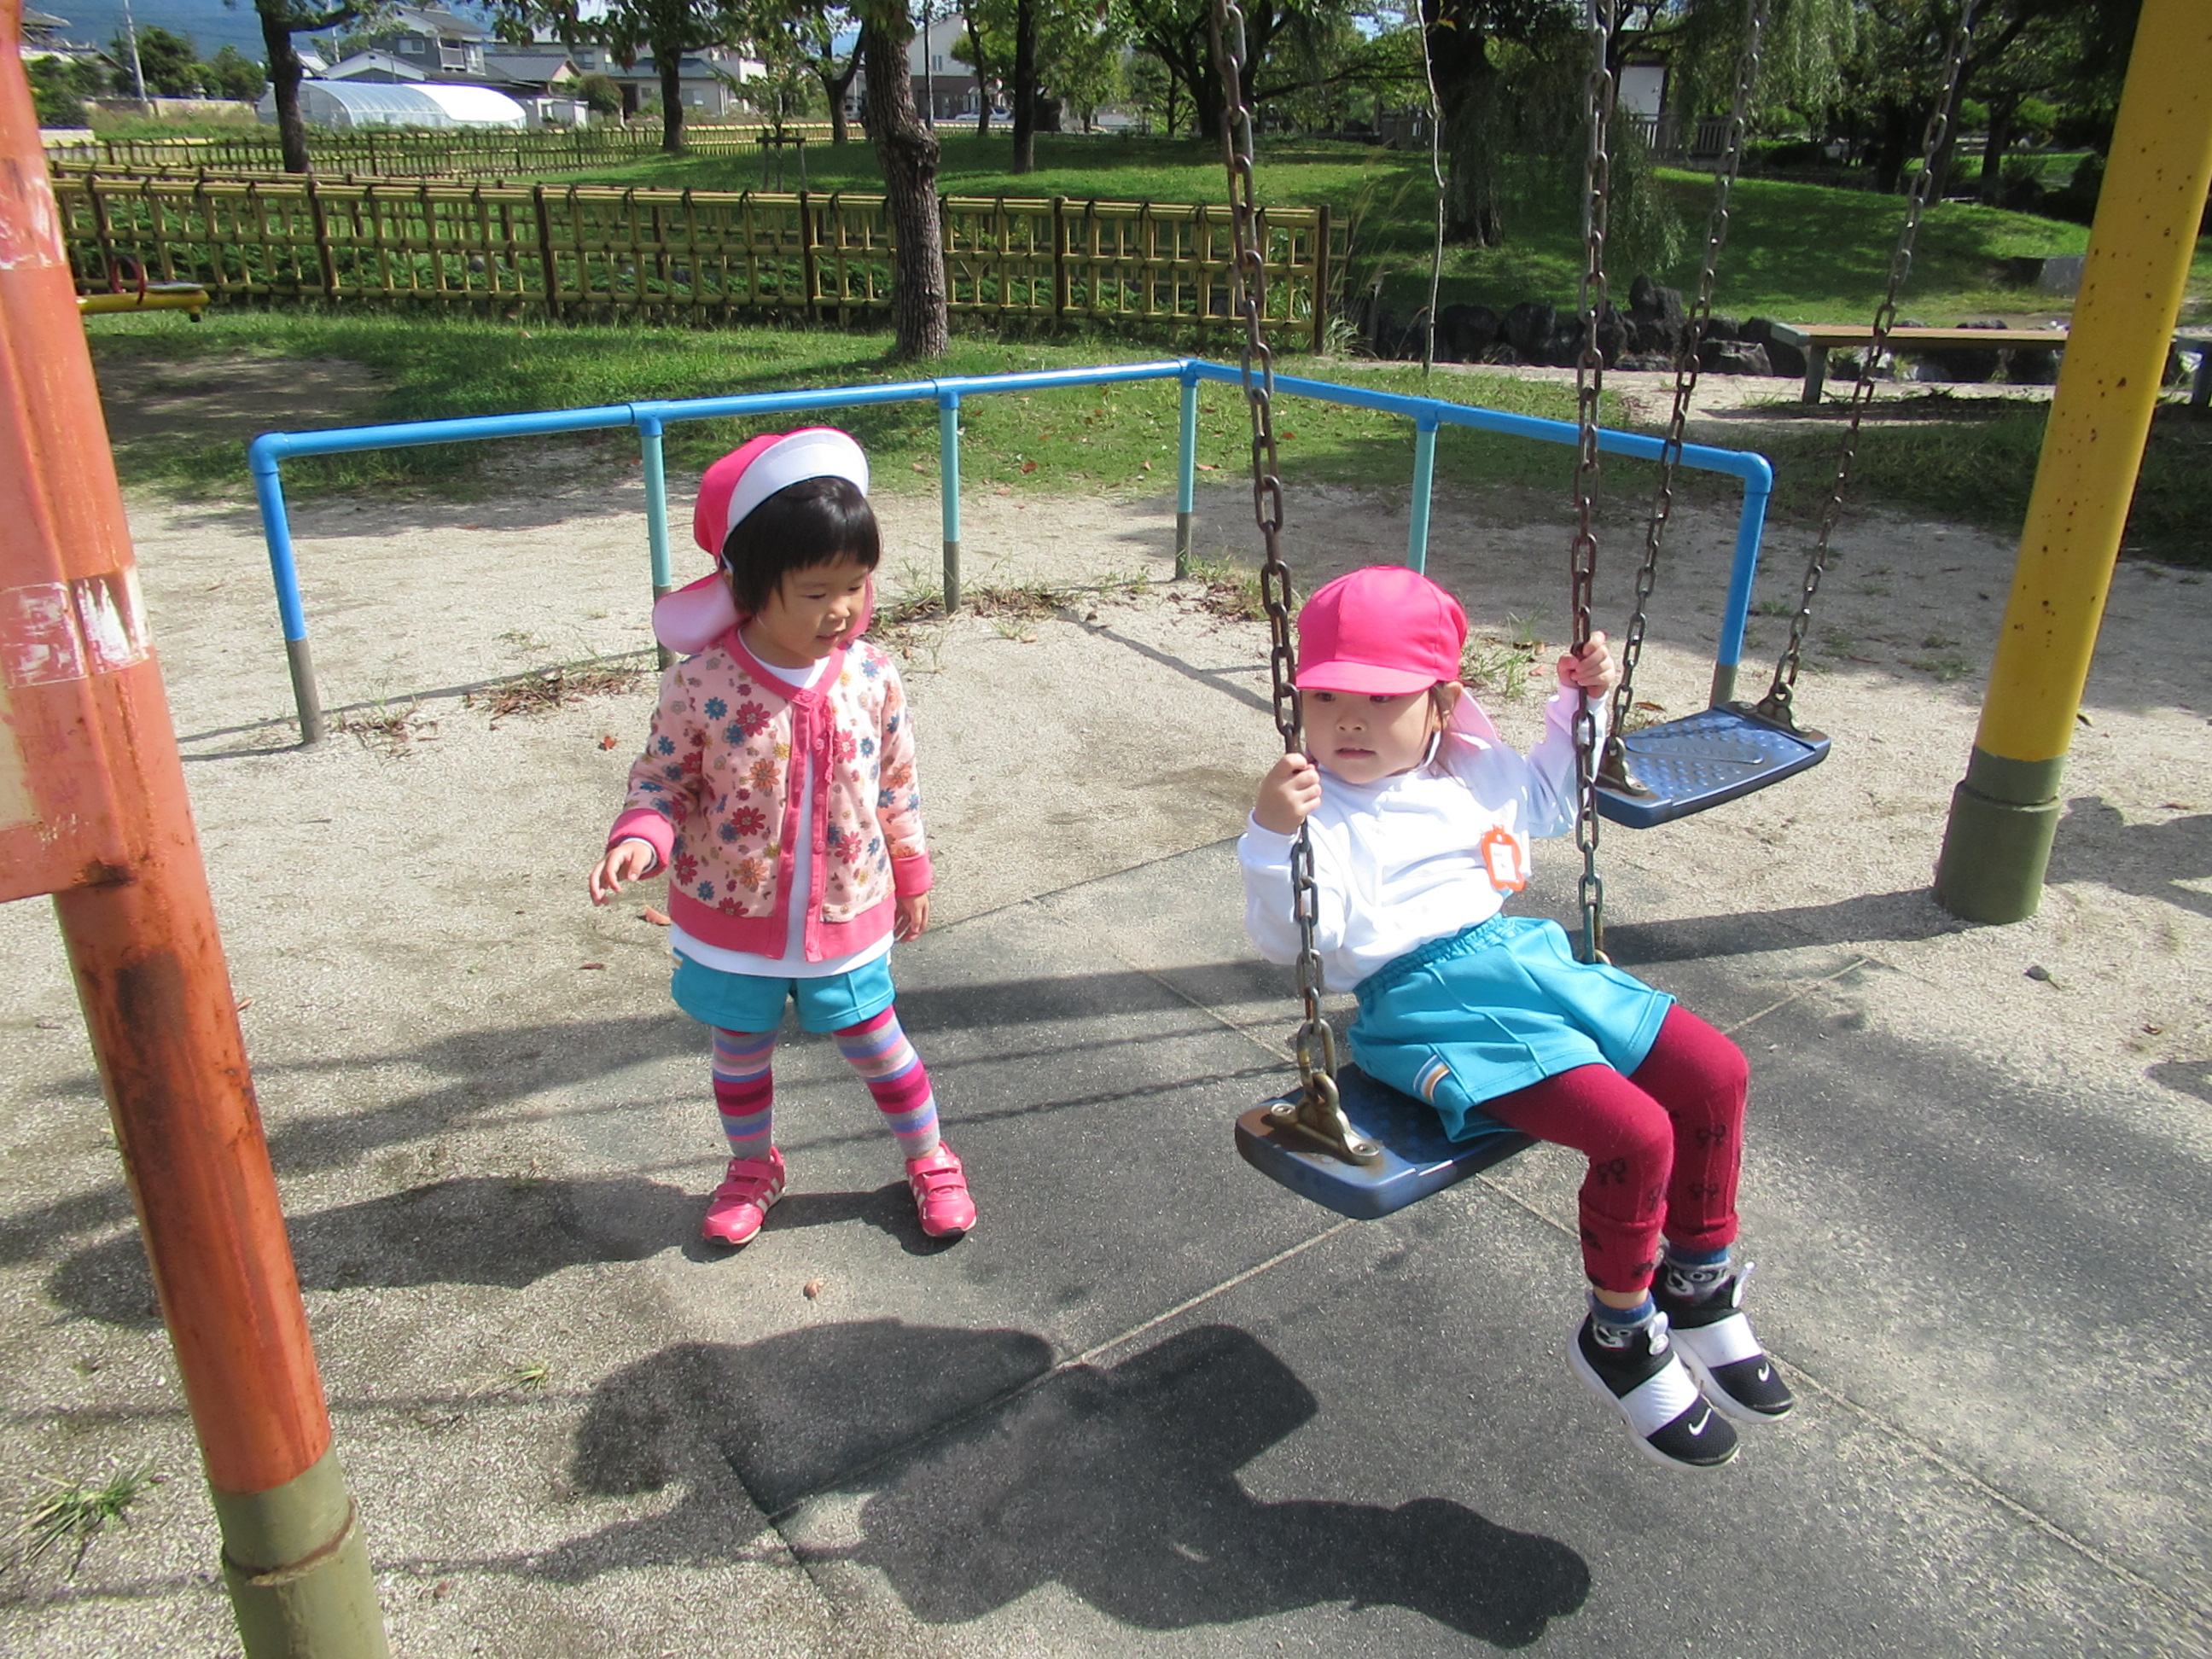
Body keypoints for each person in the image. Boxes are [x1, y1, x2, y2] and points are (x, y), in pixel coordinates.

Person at [1240, 565, 1792, 1470]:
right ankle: (1619, 1332)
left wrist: (1582, 705)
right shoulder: (1314, 809)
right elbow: (1293, 940)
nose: (1348, 721)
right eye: (1327, 696)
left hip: (1528, 961)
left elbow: (1554, 798)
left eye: (1381, 699)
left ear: (1441, 703)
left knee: (1715, 1074)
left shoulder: (1474, 769)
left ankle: (1698, 1280)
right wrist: (1270, 837)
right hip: (1425, 1002)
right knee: (1636, 1134)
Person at [588, 428, 975, 1248]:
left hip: (847, 911)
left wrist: (912, 867)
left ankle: (931, 1157)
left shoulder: (871, 675)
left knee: (880, 1048)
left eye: (856, 584)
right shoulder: (701, 684)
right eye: (816, 590)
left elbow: (896, 781)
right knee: (738, 1057)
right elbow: (663, 777)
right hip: (733, 919)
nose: (843, 609)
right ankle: (752, 1166)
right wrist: (643, 836)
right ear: (751, 584)